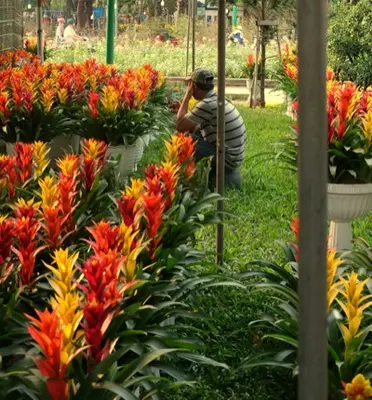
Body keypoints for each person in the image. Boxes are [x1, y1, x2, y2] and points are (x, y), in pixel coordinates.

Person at [176, 69, 246, 189]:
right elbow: (195, 126)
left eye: (190, 86)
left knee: (181, 140)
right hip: (234, 156)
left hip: (226, 159)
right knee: (195, 132)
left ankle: (181, 179)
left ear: (194, 87)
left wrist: (186, 98)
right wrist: (182, 110)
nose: (189, 90)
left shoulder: (207, 104)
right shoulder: (216, 99)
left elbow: (180, 126)